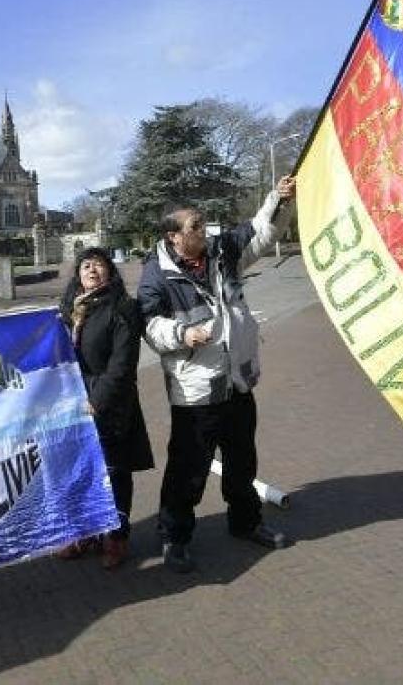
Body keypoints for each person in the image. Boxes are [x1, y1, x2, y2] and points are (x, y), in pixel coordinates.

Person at [137, 176, 297, 574]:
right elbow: (149, 324)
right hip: (196, 390)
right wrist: (182, 334)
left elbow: (260, 233)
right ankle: (175, 537)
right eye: (195, 225)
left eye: (203, 221)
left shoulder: (221, 251)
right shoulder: (157, 274)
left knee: (242, 460)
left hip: (237, 381)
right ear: (174, 236)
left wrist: (280, 199)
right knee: (188, 470)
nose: (204, 230)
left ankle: (246, 523)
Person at [57, 247, 155, 569]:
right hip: (75, 405)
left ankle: (116, 536)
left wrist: (96, 401)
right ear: (78, 274)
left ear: (110, 271)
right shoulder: (69, 311)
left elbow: (122, 365)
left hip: (111, 404)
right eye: (86, 265)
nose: (92, 270)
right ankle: (86, 533)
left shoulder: (123, 308)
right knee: (80, 471)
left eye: (98, 265)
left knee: (114, 473)